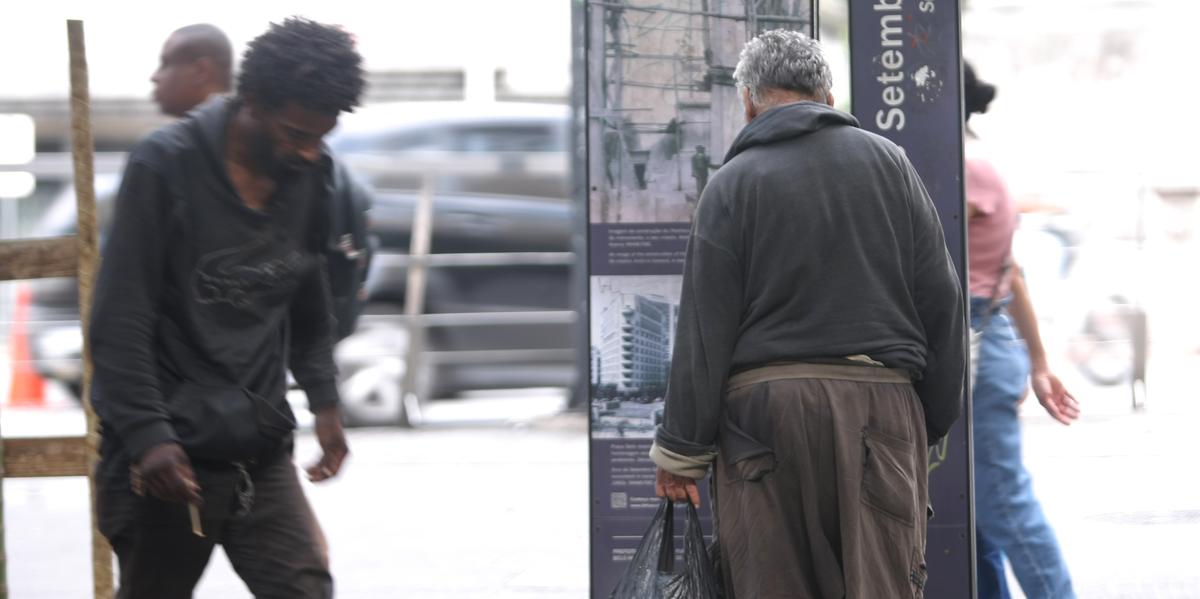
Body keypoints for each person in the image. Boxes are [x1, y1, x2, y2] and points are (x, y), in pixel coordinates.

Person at [650, 30, 966, 598]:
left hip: (765, 425)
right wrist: (929, 419)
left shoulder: (730, 185)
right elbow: (942, 298)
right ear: (825, 94)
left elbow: (704, 330)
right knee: (881, 583)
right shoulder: (890, 165)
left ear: (748, 101)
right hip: (881, 409)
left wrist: (682, 452)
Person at [90, 18, 366, 598]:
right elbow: (120, 319)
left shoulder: (312, 176)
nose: (309, 151)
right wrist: (148, 437)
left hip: (257, 450)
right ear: (252, 103)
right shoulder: (165, 166)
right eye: (294, 134)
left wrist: (325, 399)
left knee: (304, 588)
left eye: (323, 136)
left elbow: (308, 291)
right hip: (166, 459)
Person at [152, 23, 374, 341]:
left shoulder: (307, 168)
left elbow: (318, 291)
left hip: (266, 371)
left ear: (200, 70)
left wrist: (318, 378)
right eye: (299, 135)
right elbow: (130, 301)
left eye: (166, 63)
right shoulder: (162, 160)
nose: (156, 76)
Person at [964, 62, 1081, 599]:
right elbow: (1012, 276)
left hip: (977, 348)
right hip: (988, 342)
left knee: (1003, 504)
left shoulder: (961, 168)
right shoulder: (977, 161)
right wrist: (1038, 364)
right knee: (977, 509)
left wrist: (1037, 364)